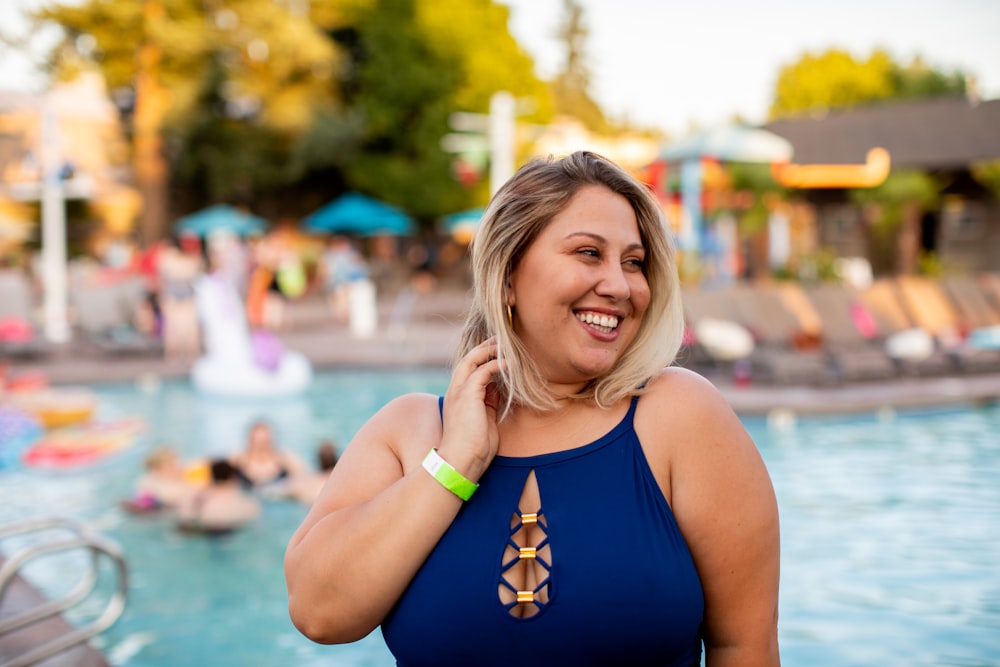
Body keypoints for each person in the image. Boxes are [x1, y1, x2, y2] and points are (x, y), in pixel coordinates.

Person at [284, 151, 780, 666]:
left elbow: (746, 646)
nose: (619, 285)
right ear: (507, 277)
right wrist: (454, 465)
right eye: (589, 253)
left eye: (633, 262)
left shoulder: (681, 417)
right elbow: (319, 613)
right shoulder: (407, 432)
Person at [177, 458, 261, 535]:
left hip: (204, 528)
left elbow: (185, 516)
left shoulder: (199, 498)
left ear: (211, 477)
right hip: (233, 531)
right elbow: (253, 521)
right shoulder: (246, 501)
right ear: (233, 479)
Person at [230, 419, 305, 489]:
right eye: (258, 441)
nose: (261, 446)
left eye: (264, 442)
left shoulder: (285, 458)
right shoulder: (238, 458)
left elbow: (305, 477)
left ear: (271, 440)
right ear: (250, 441)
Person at [125, 445, 201, 512]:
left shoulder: (183, 472)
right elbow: (175, 497)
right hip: (162, 508)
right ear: (157, 470)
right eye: (171, 465)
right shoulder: (153, 483)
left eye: (177, 461)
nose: (177, 466)